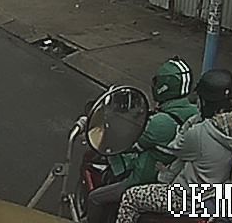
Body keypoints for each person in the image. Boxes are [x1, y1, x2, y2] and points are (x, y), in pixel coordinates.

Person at [114, 69, 232, 223]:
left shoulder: (199, 133)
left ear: (203, 101)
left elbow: (176, 147)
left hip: (187, 198)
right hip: (219, 194)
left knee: (130, 197)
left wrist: (192, 122)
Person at [85, 58, 200, 223]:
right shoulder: (195, 113)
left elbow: (128, 141)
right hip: (177, 177)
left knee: (95, 198)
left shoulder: (161, 123)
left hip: (146, 179)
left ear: (163, 87)